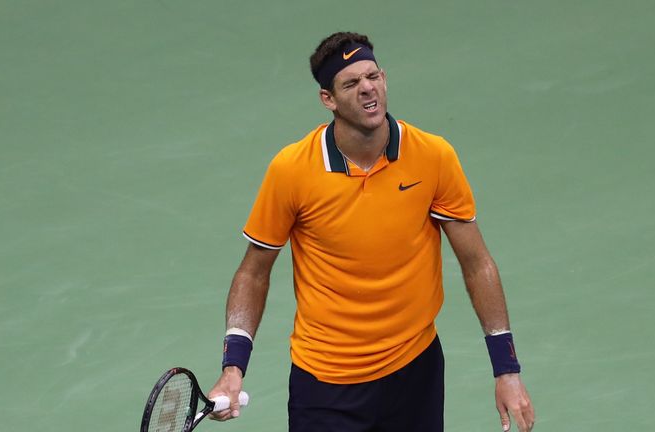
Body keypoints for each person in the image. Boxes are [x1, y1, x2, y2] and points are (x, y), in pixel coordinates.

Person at [208, 31, 535, 432]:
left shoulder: (433, 156)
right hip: (326, 384)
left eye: (373, 76)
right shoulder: (291, 170)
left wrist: (506, 368)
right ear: (328, 99)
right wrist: (233, 365)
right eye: (351, 83)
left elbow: (476, 262)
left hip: (415, 372)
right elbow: (253, 272)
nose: (368, 89)